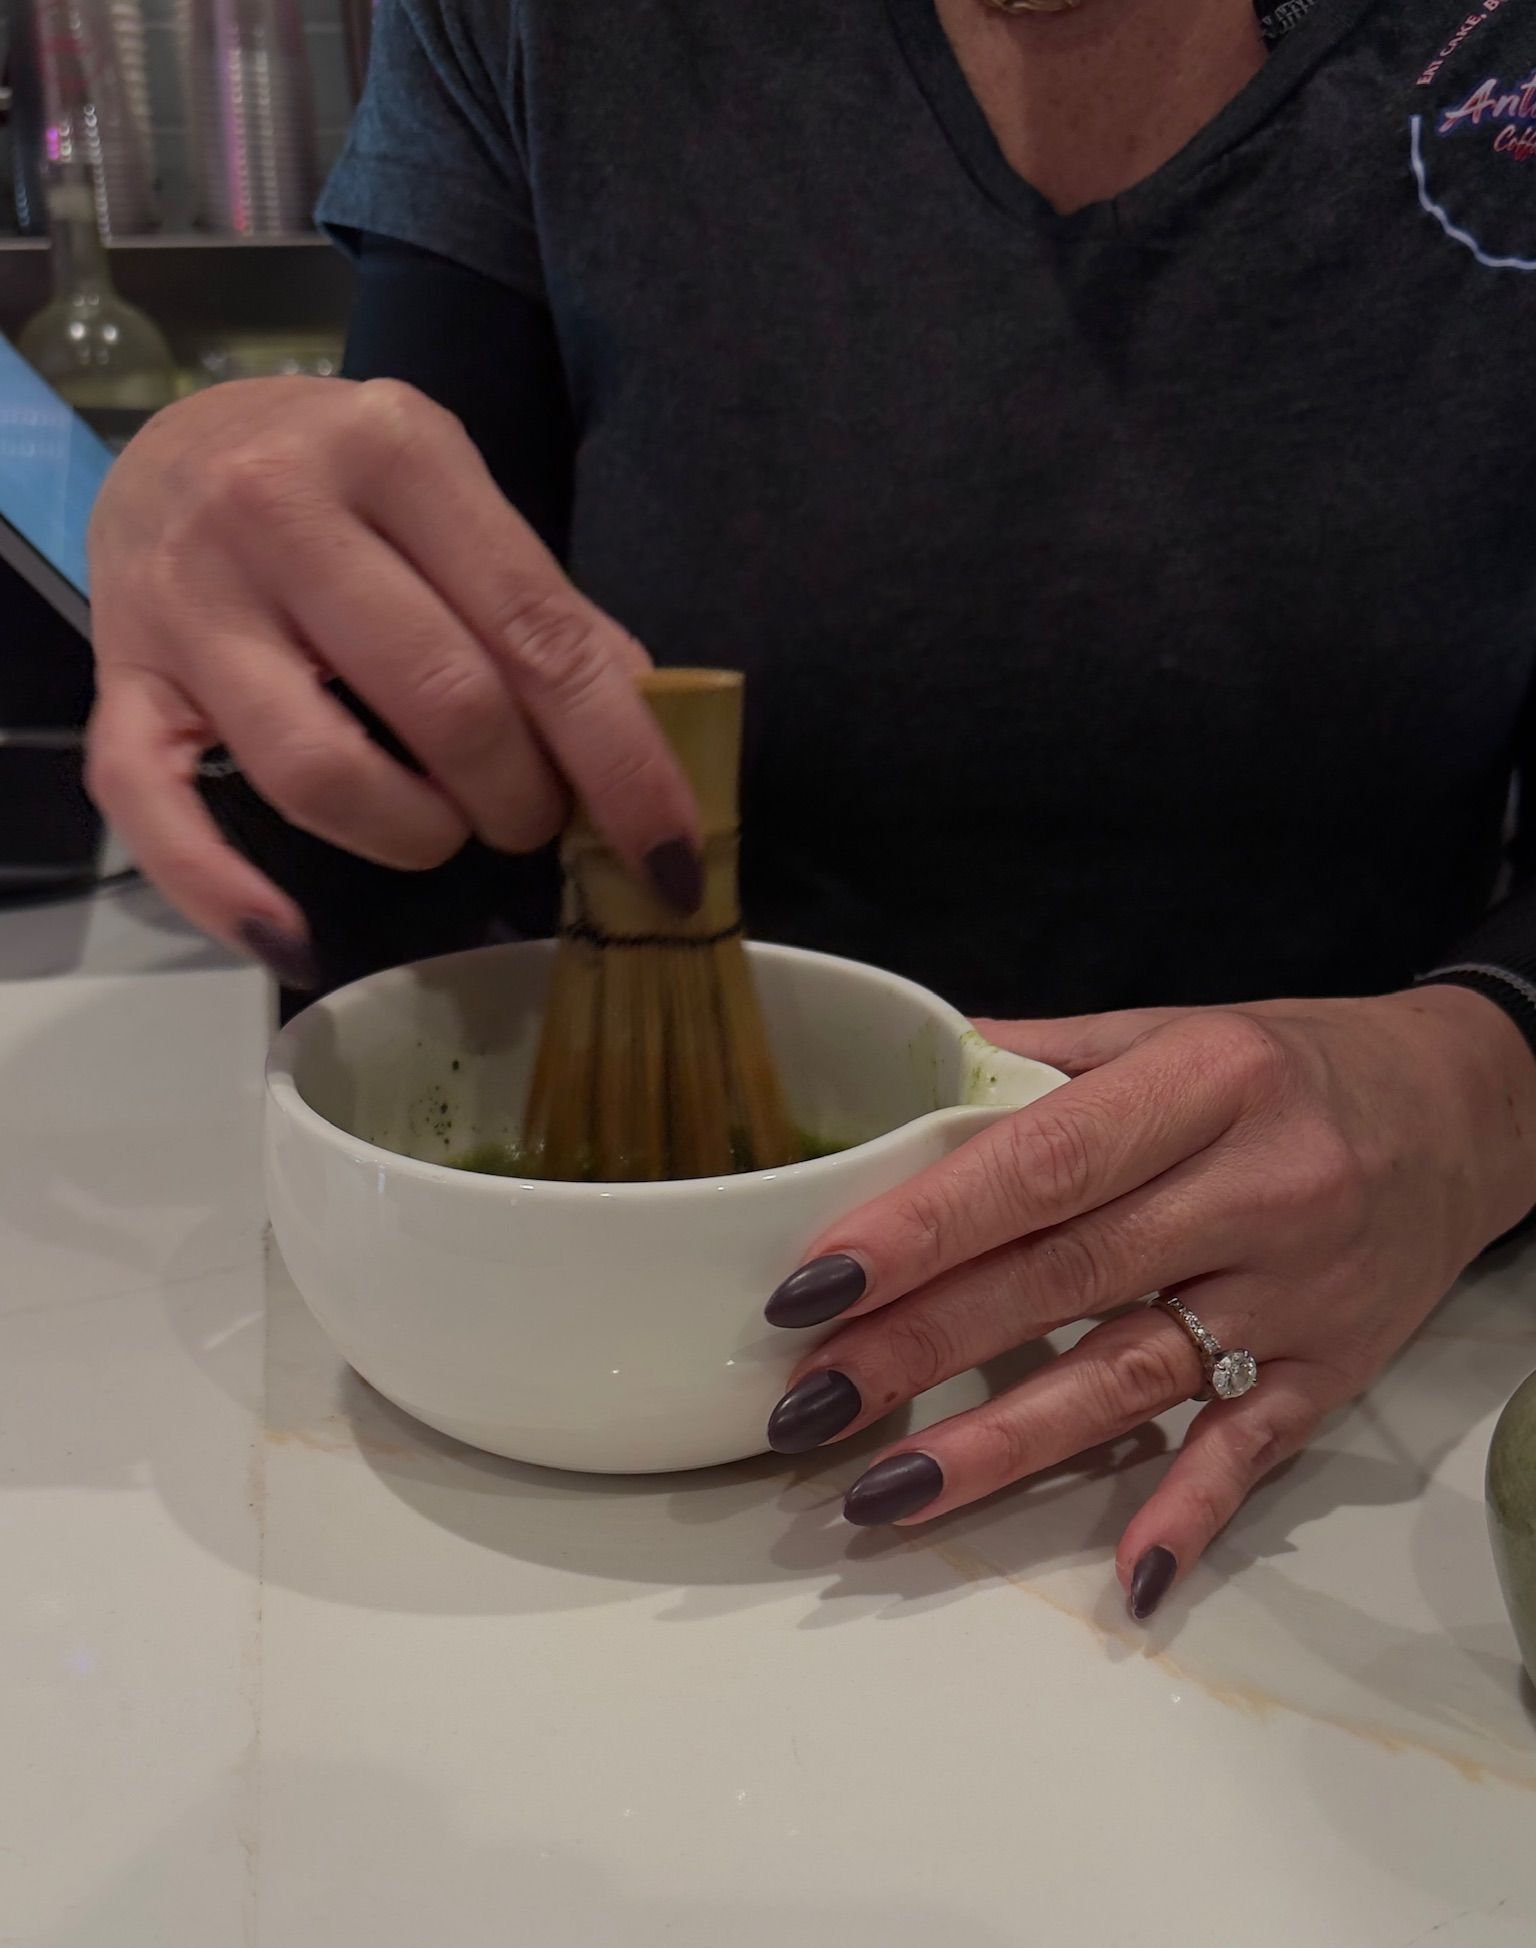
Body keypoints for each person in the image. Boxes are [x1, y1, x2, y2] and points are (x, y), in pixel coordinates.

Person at [87, 0, 1536, 1616]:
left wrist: (1486, 1081)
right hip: (623, 1384)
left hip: (1352, 1365)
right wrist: (231, 540)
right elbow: (417, 851)